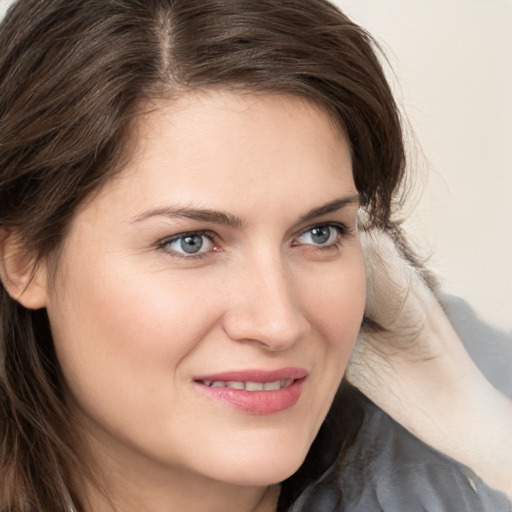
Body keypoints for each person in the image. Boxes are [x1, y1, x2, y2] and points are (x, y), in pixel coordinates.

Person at [0, 1, 509, 511]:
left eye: (319, 233)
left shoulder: (474, 414)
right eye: (191, 242)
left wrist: (493, 457)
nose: (278, 323)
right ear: (23, 258)